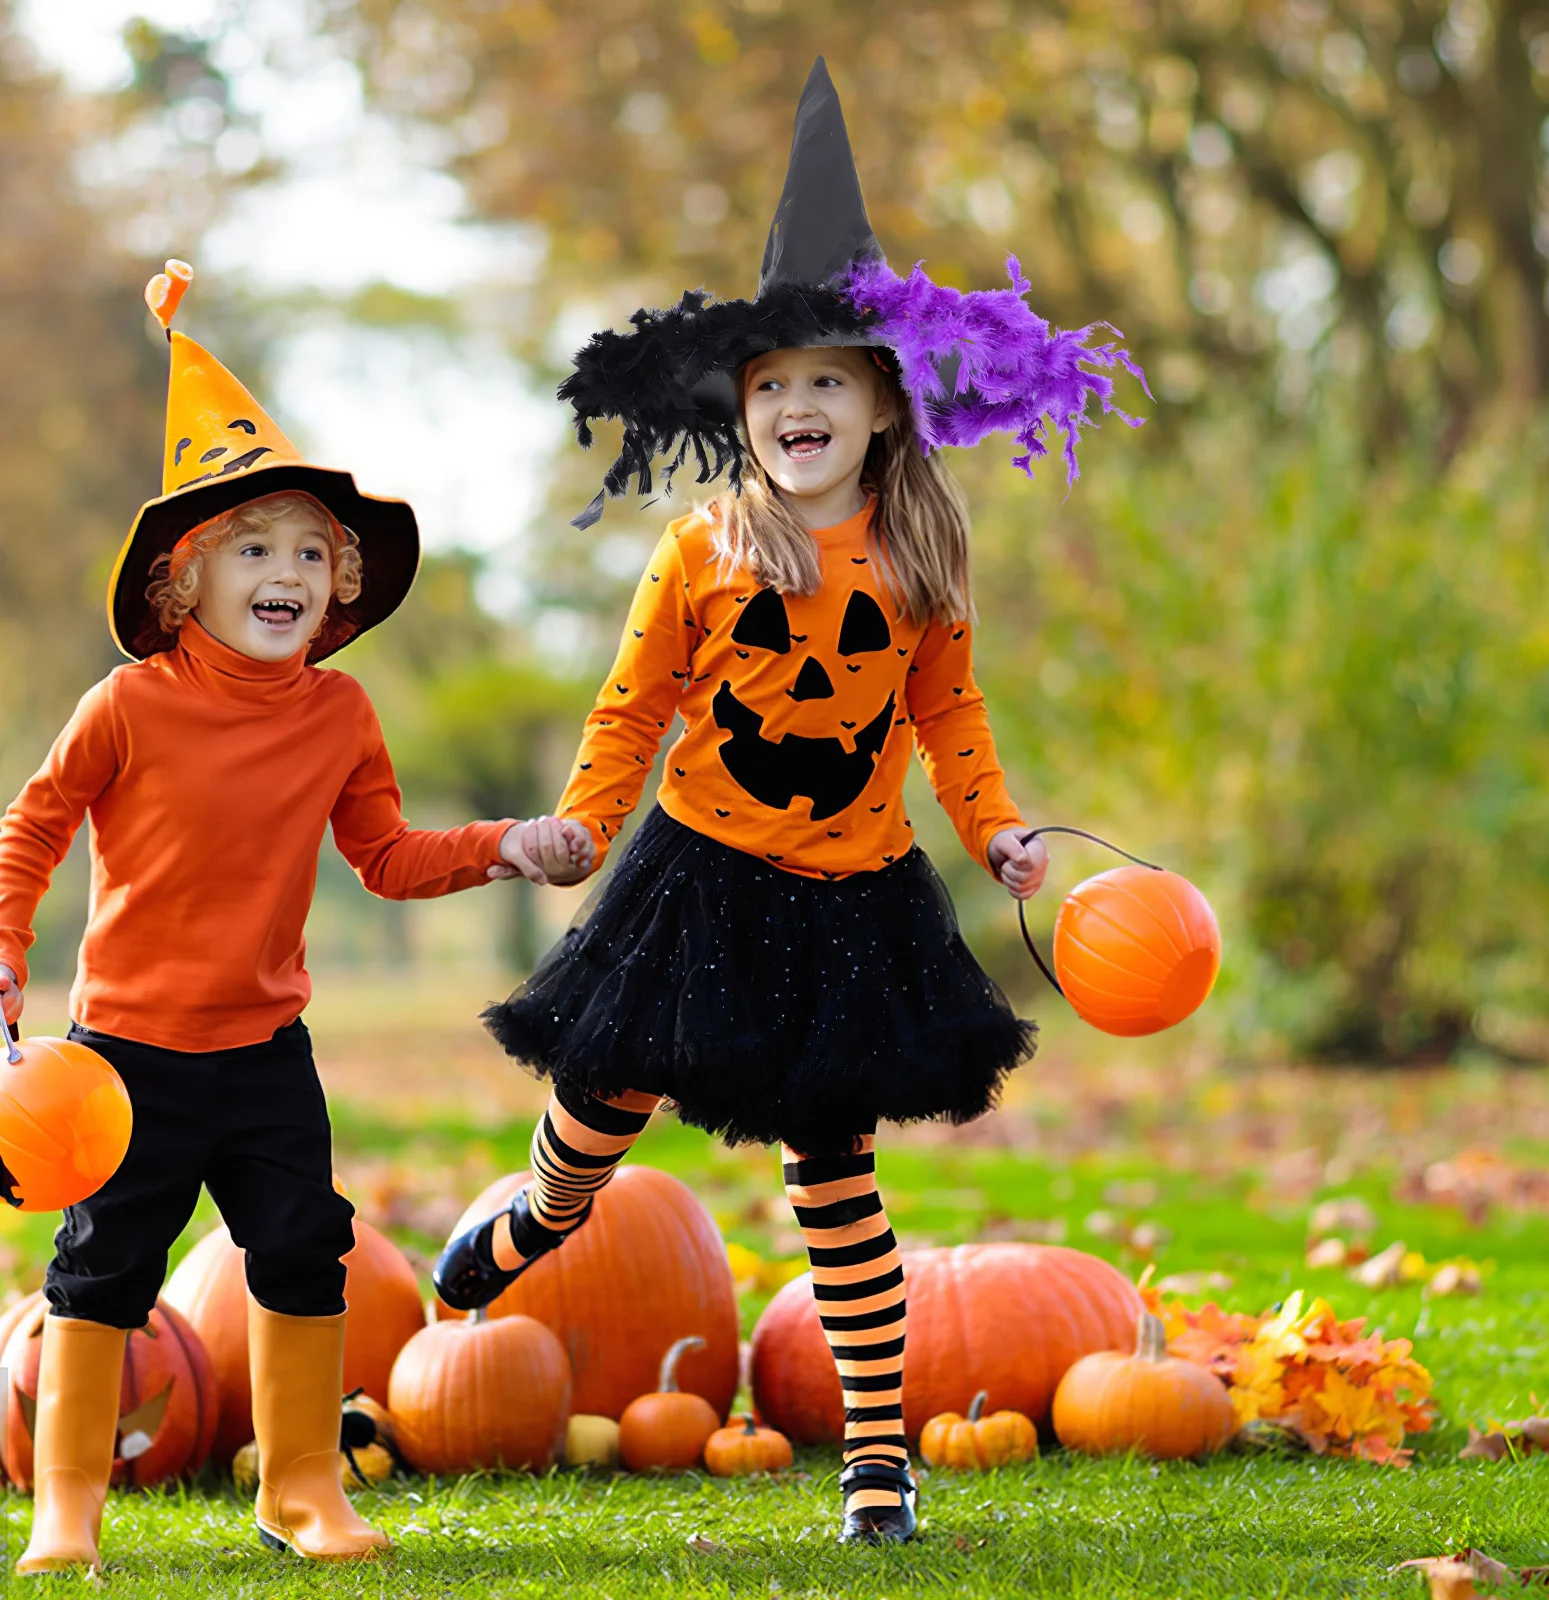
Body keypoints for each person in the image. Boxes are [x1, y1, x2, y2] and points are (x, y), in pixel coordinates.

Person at [434, 60, 1144, 1545]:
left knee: (840, 1169)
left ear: (885, 406)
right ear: (742, 413)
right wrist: (580, 822)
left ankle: (877, 1456)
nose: (797, 405)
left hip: (852, 891)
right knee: (600, 1116)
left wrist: (996, 826)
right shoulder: (702, 552)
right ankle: (535, 1220)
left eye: (827, 379)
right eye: (773, 387)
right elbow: (634, 708)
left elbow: (949, 711)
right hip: (696, 871)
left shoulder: (921, 562)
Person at [0, 264, 551, 1574]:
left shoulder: (337, 717)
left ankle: (301, 1484)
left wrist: (506, 848)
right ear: (184, 583)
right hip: (124, 1054)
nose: (290, 572)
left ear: (338, 585)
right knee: (105, 1265)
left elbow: (389, 855)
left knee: (306, 1246)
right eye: (256, 548)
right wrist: (7, 955)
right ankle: (68, 1501)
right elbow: (29, 828)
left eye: (313, 552)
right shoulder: (127, 706)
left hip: (261, 1051)